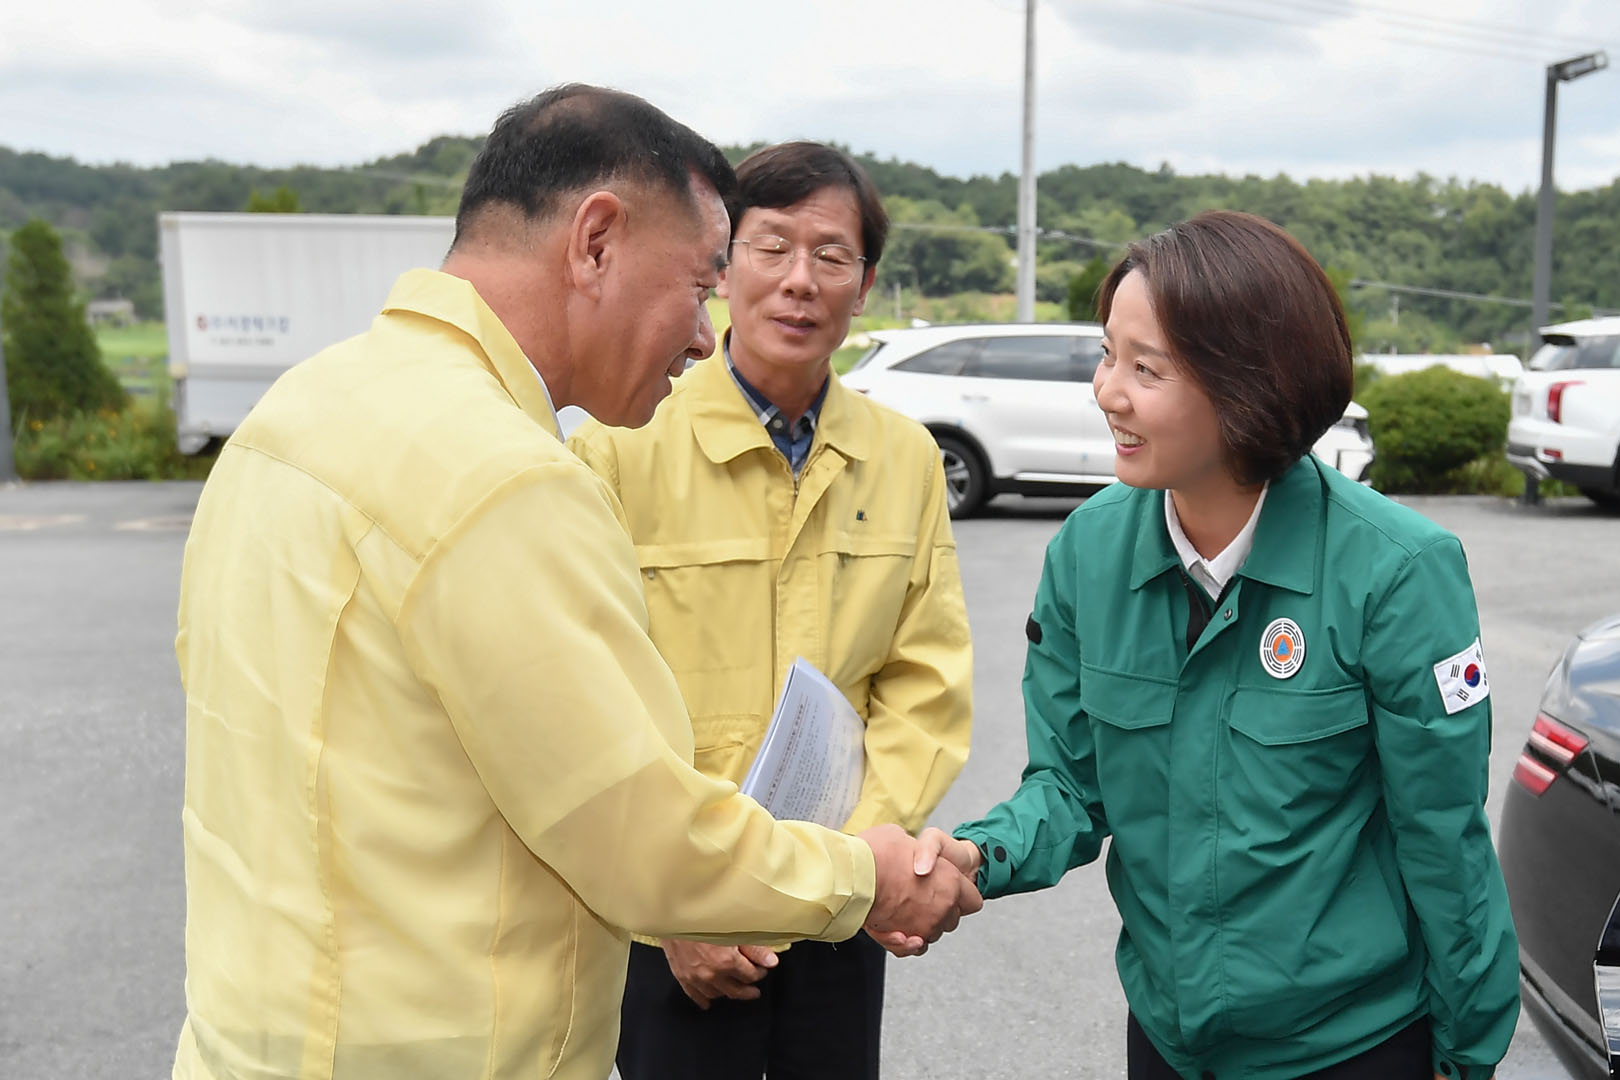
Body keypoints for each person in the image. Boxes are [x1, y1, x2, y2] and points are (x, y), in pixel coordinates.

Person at [169, 86, 980, 1080]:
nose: (702, 335)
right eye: (699, 285)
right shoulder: (505, 477)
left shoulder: (294, 414)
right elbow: (640, 835)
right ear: (596, 242)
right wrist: (867, 873)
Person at [914, 210, 1519, 1080]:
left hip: (1350, 1046)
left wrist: (1466, 1056)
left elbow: (1443, 837)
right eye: (1107, 355)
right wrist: (974, 856)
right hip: (1169, 1040)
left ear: (1250, 388)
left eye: (1146, 368)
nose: (1107, 391)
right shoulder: (1087, 553)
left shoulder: (1397, 571)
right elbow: (1071, 788)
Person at [569, 141, 973, 1080]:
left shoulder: (904, 458)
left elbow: (926, 680)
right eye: (772, 246)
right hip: (676, 924)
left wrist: (853, 864)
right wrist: (674, 901)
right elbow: (591, 694)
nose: (800, 280)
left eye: (831, 256)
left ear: (863, 287)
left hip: (838, 909)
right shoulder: (623, 446)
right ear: (722, 265)